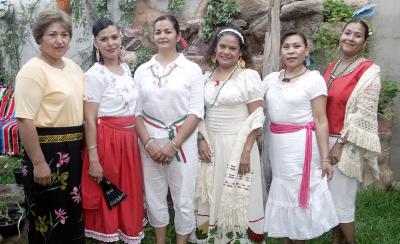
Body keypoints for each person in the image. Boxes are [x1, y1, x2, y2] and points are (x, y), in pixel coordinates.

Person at [14, 10, 85, 243]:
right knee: (49, 217)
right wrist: (38, 162)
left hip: (74, 151)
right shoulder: (32, 71)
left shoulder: (74, 68)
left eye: (65, 34)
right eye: (52, 34)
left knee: (72, 216)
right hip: (46, 153)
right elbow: (24, 120)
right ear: (39, 38)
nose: (59, 40)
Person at [134, 15, 204, 244]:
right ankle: (160, 240)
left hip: (182, 142)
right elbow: (136, 113)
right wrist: (149, 143)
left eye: (167, 31)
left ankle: (182, 241)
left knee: (183, 196)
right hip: (149, 143)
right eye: (158, 32)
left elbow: (196, 112)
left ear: (178, 35)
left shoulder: (191, 69)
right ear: (153, 37)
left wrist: (174, 145)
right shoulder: (142, 70)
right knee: (154, 196)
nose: (162, 36)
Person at [263, 32, 338, 243]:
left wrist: (324, 158)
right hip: (278, 146)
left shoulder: (314, 80)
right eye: (286, 46)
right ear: (280, 52)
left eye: (297, 46)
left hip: (302, 148)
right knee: (283, 190)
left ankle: (299, 239)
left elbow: (321, 120)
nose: (291, 51)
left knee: (298, 195)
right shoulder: (271, 80)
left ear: (306, 50)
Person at [194, 28, 265, 243]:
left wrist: (246, 152)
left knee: (237, 194)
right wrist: (200, 140)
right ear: (215, 48)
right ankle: (212, 238)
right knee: (212, 192)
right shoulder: (206, 77)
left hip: (239, 145)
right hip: (212, 143)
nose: (226, 51)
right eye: (222, 46)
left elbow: (256, 117)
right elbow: (198, 114)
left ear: (241, 52)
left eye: (232, 48)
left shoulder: (248, 77)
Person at [80, 18, 145, 243]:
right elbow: (89, 119)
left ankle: (126, 233)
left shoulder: (126, 69)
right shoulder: (94, 75)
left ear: (121, 38)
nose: (110, 43)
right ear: (95, 43)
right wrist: (94, 158)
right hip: (108, 141)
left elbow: (134, 110)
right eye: (104, 39)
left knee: (127, 194)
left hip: (129, 141)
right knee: (109, 196)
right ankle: (107, 237)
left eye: (114, 37)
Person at [324, 20, 381, 244]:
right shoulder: (333, 66)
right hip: (324, 139)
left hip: (345, 143)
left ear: (365, 42)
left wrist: (340, 143)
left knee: (342, 203)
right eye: (347, 32)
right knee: (331, 201)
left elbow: (363, 114)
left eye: (357, 35)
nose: (350, 38)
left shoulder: (369, 70)